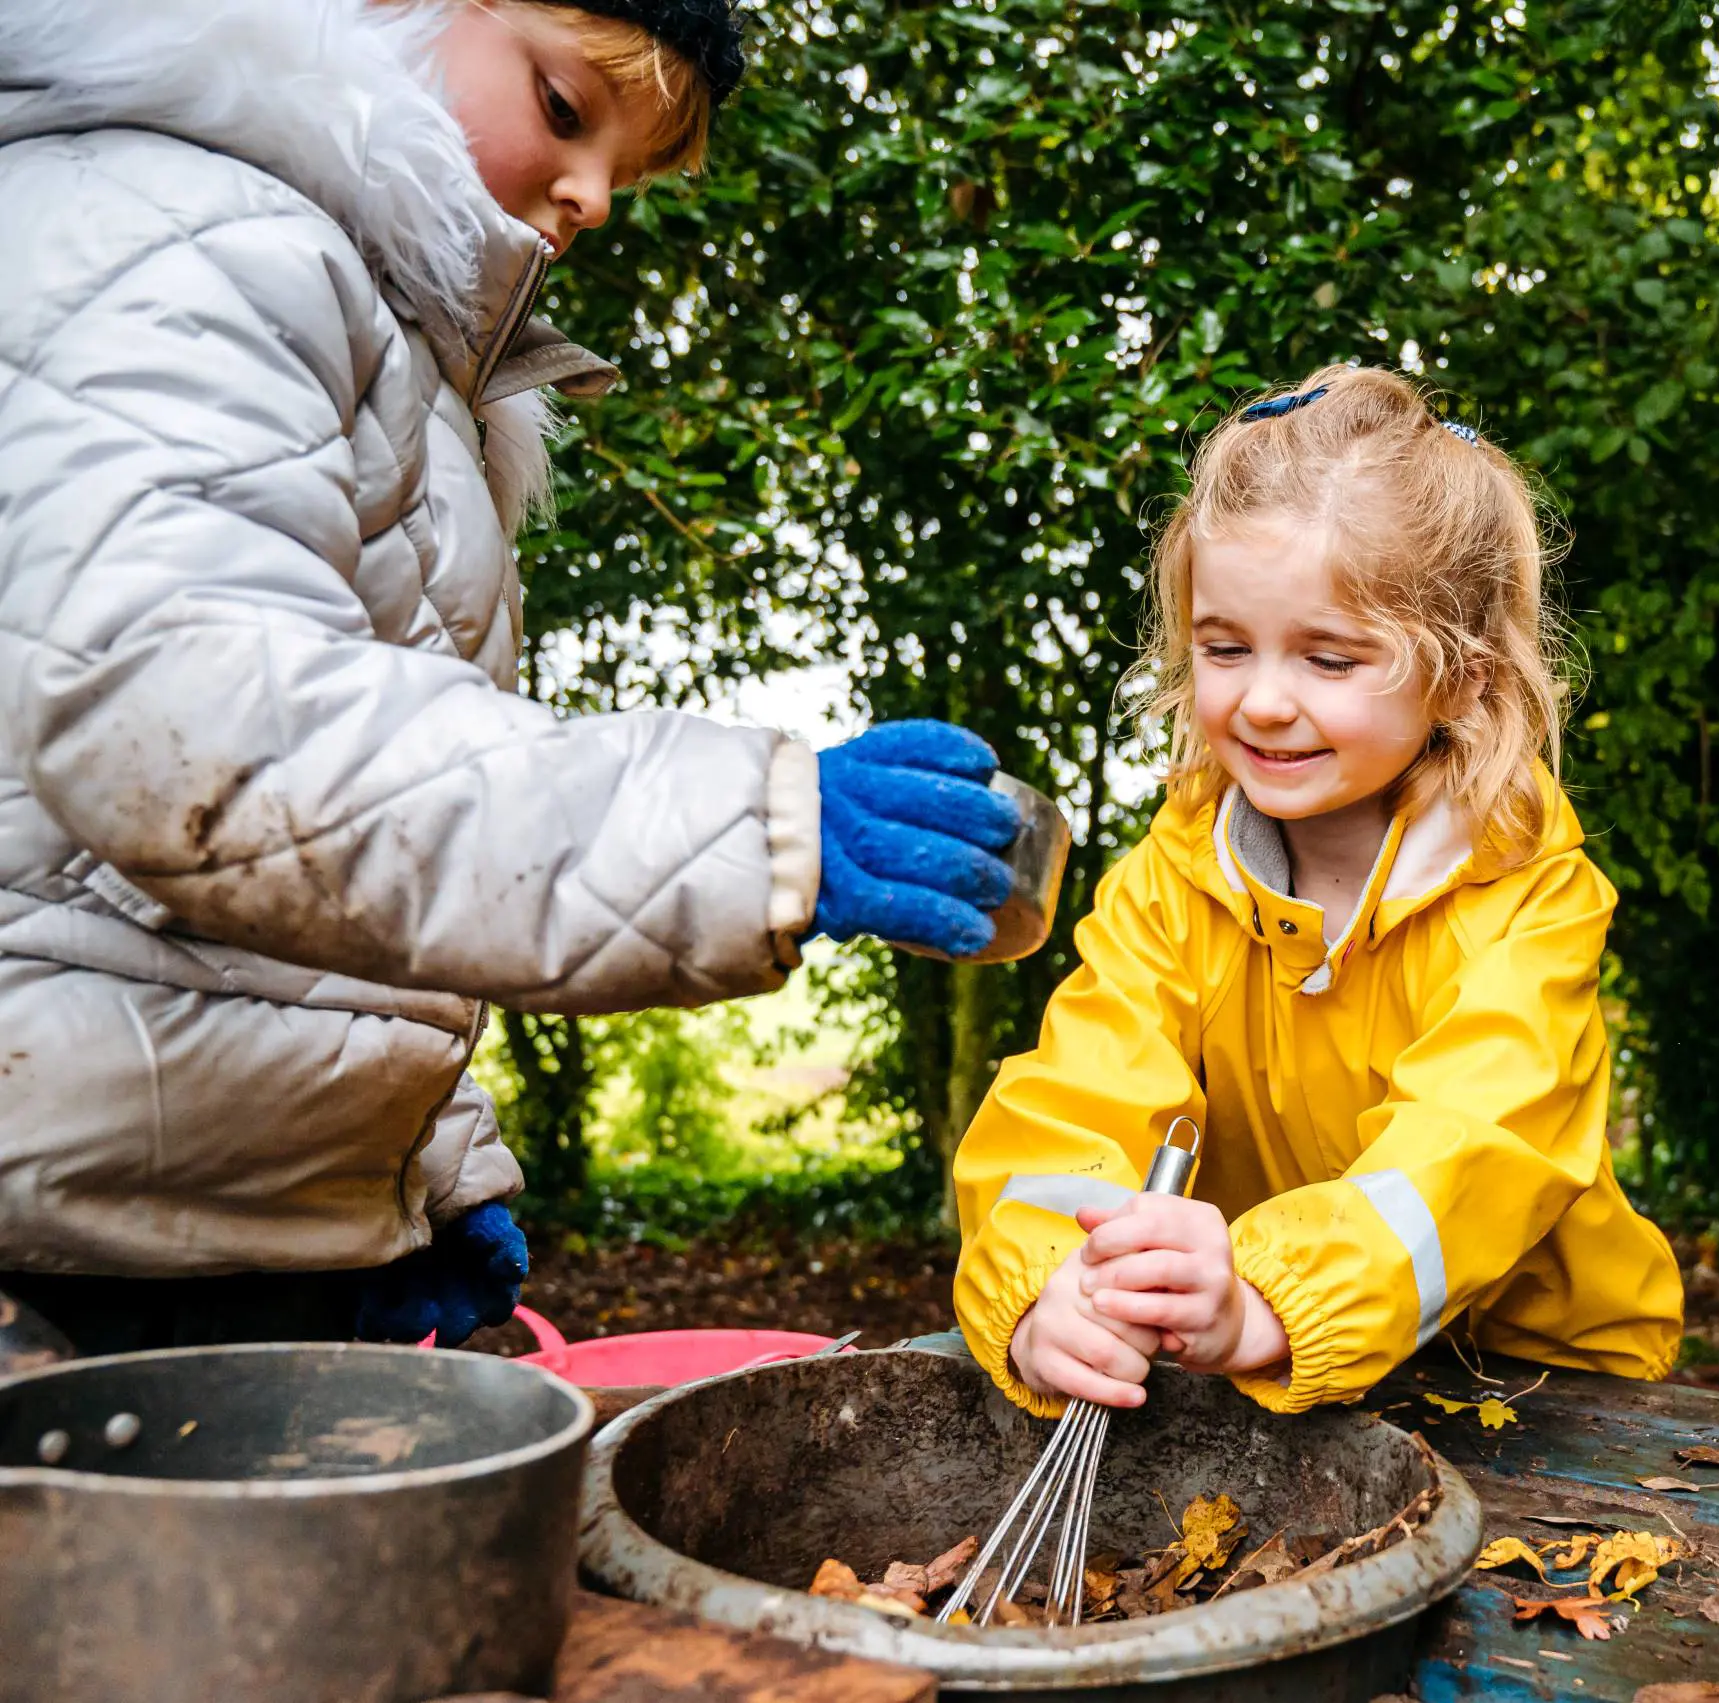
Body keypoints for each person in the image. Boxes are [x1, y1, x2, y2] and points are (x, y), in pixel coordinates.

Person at [0, 0, 1017, 1353]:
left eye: (631, 172)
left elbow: (335, 860)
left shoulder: (377, 339)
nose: (593, 196)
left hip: (188, 1226)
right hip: (69, 1266)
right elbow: (203, 736)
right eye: (561, 107)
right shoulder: (191, 241)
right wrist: (751, 830)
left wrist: (419, 1169)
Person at [950, 365, 1684, 1416]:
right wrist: (1045, 1284)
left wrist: (1271, 1296)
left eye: (1330, 659)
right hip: (1261, 1362)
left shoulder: (1533, 895)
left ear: (1464, 674)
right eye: (1223, 647)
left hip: (1545, 1384)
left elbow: (1474, 1149)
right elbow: (1074, 1098)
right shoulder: (1173, 879)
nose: (1261, 701)